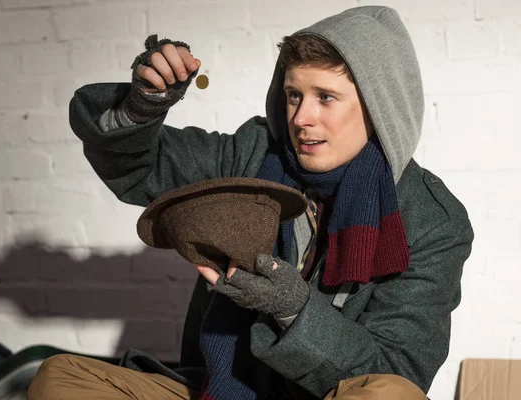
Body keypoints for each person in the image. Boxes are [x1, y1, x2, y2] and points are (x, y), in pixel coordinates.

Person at [28, 5, 473, 400]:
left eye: (326, 98)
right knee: (59, 379)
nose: (301, 118)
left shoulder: (433, 220)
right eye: (295, 94)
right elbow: (141, 171)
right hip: (227, 390)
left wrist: (294, 308)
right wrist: (143, 107)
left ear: (381, 107)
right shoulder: (256, 154)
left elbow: (397, 374)